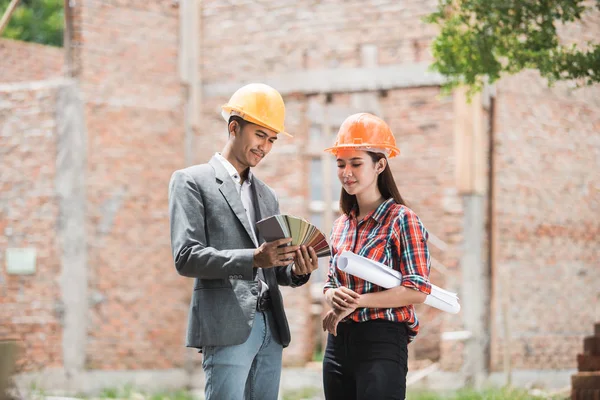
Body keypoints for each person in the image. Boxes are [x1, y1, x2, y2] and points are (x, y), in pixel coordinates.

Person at [168, 83, 319, 400]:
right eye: (260, 135)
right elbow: (187, 256)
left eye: (272, 140)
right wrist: (253, 258)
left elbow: (273, 269)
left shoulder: (266, 194)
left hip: (271, 328)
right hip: (227, 325)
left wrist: (298, 270)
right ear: (234, 127)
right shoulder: (192, 181)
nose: (265, 147)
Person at [321, 113, 432, 400]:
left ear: (380, 164)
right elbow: (331, 281)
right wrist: (332, 296)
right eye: (341, 164)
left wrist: (357, 302)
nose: (347, 171)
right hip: (337, 343)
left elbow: (417, 289)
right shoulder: (341, 224)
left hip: (382, 340)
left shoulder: (401, 220)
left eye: (356, 163)